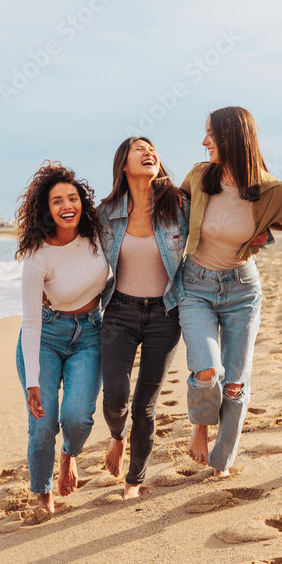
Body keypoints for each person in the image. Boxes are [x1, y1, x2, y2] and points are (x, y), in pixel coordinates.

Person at [179, 106, 282, 477]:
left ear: (232, 138)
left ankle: (222, 463)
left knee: (233, 382)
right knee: (207, 369)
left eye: (211, 136)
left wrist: (269, 233)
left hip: (242, 291)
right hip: (195, 285)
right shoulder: (200, 177)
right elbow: (166, 217)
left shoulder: (272, 191)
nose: (204, 143)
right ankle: (200, 428)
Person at [14, 162, 110, 512]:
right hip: (45, 337)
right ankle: (42, 492)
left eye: (73, 198)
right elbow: (30, 320)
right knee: (42, 424)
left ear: (82, 202)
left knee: (78, 418)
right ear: (46, 208)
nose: (67, 206)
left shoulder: (99, 235)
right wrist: (33, 383)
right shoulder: (39, 256)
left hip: (90, 333)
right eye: (57, 201)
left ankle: (69, 455)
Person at [96, 137, 189, 499]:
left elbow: (221, 217)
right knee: (115, 398)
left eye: (152, 148)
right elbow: (73, 244)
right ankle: (116, 437)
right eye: (139, 149)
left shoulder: (179, 205)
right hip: (119, 311)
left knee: (144, 406)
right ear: (124, 164)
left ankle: (134, 482)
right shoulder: (105, 213)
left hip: (165, 314)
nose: (149, 152)